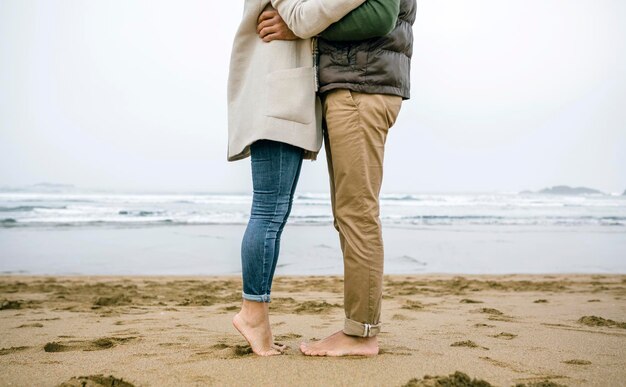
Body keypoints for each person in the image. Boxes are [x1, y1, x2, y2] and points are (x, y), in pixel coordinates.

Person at [227, 0, 399, 357]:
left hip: (296, 97)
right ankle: (253, 313)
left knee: (290, 211)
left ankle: (354, 332)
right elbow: (302, 16)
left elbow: (316, 19)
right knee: (271, 211)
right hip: (277, 98)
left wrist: (302, 28)